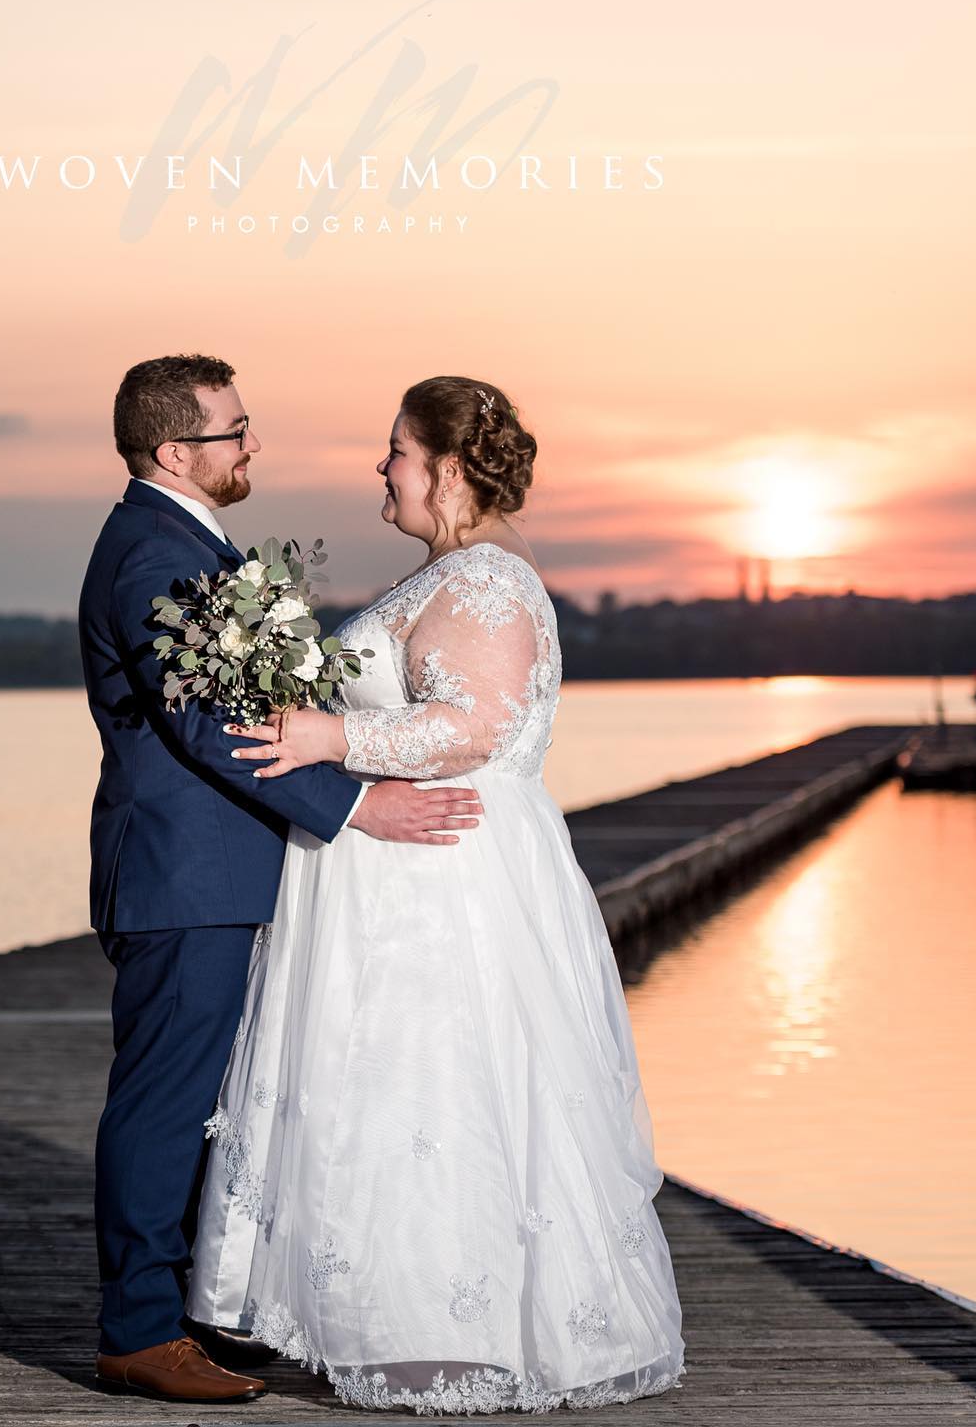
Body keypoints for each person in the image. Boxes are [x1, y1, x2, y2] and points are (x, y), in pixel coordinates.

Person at [187, 376, 687, 1413]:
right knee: (386, 1089)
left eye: (397, 450)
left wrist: (327, 735)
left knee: (435, 1086)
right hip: (398, 867)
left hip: (445, 875)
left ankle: (444, 1329)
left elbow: (473, 728)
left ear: (448, 469)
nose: (384, 467)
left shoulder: (490, 579)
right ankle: (369, 1309)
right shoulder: (450, 575)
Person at [78, 354, 486, 1405]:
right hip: (185, 878)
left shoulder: (186, 545)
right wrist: (357, 804)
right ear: (177, 452)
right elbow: (212, 727)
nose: (253, 445)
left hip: (222, 874)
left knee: (214, 1106)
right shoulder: (150, 558)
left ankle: (196, 1315)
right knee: (165, 1105)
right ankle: (138, 1330)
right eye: (235, 430)